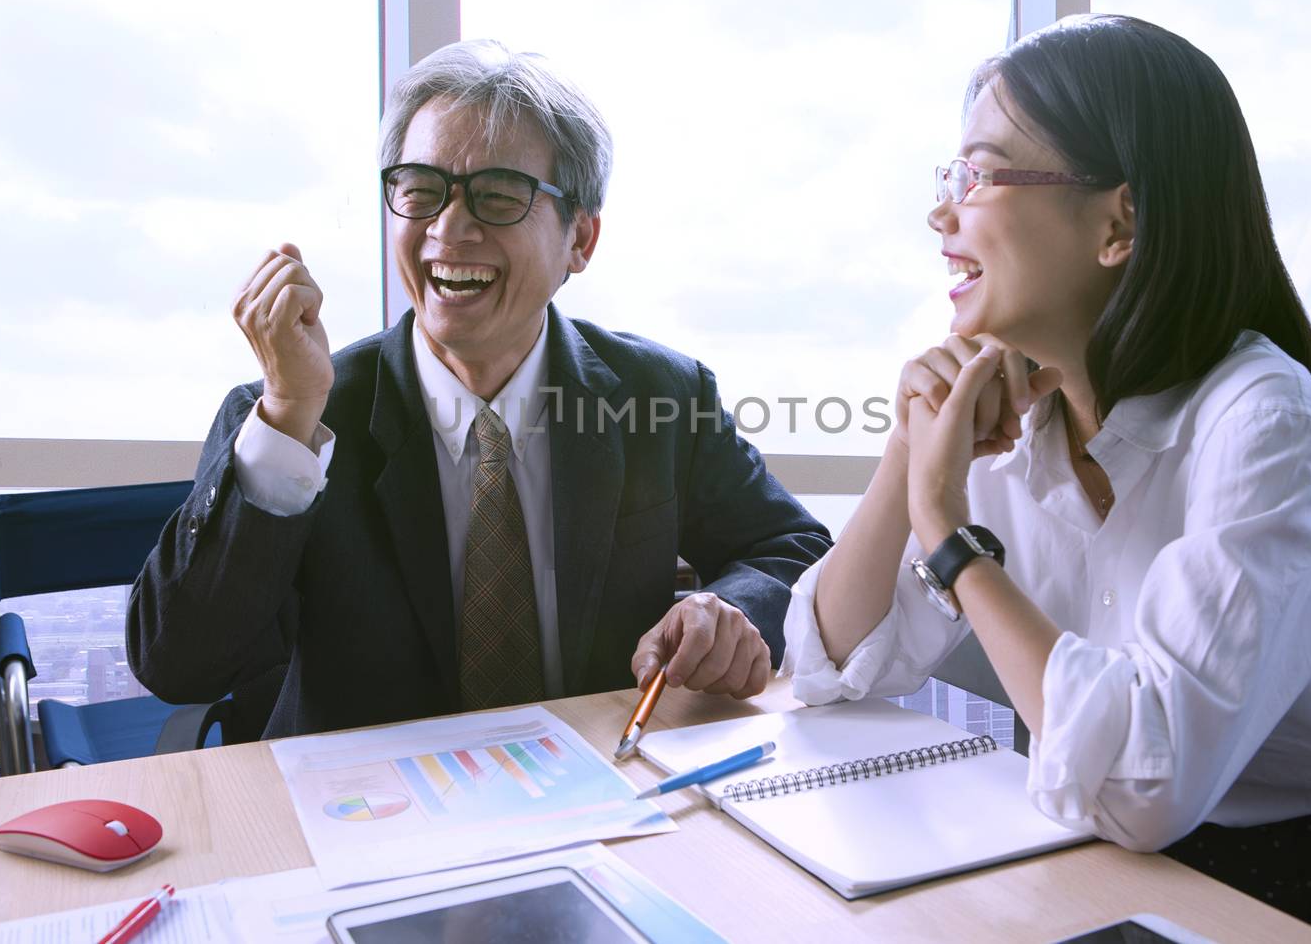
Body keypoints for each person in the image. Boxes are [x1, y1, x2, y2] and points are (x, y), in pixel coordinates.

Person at [781, 14, 1311, 942]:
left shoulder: (1260, 413)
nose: (944, 213)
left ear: (1119, 222)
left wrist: (946, 530)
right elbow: (826, 666)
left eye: (978, 174)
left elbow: (1148, 782)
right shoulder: (1011, 415)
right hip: (1102, 861)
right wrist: (909, 450)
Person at [128, 39, 831, 742]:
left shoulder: (663, 397)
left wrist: (723, 607)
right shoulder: (300, 411)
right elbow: (178, 666)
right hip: (374, 817)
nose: (448, 228)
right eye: (420, 190)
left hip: (605, 792)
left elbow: (793, 547)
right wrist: (286, 418)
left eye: (497, 196)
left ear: (580, 239)